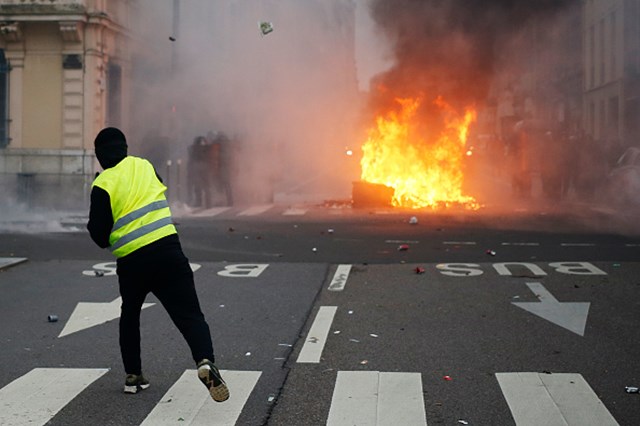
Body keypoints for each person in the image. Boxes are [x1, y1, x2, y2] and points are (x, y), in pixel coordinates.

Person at [87, 127, 229, 402]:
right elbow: (157, 187)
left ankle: (133, 375)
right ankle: (204, 361)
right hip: (168, 251)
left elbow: (99, 234)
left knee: (130, 316)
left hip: (132, 263)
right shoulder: (144, 166)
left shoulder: (103, 184)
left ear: (100, 156)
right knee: (190, 315)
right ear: (125, 148)